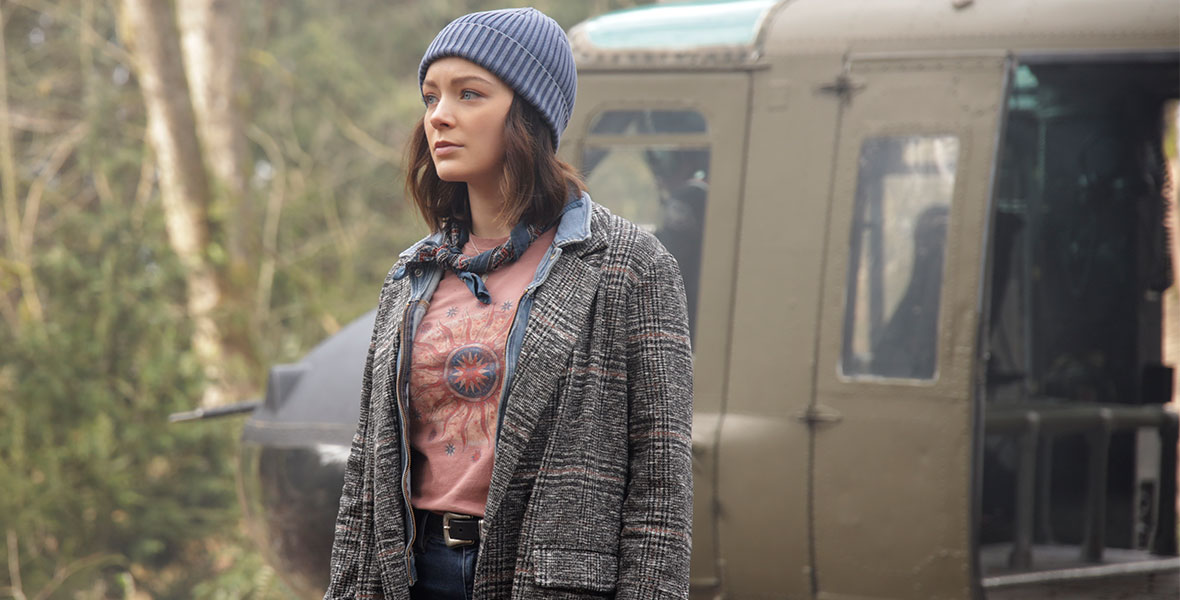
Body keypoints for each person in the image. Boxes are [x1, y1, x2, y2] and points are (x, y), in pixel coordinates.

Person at [323, 7, 694, 600]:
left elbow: (660, 488)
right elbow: (366, 476)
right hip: (410, 576)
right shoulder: (412, 273)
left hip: (551, 579)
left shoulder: (627, 266)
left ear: (529, 112)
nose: (439, 116)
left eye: (469, 94)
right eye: (430, 96)